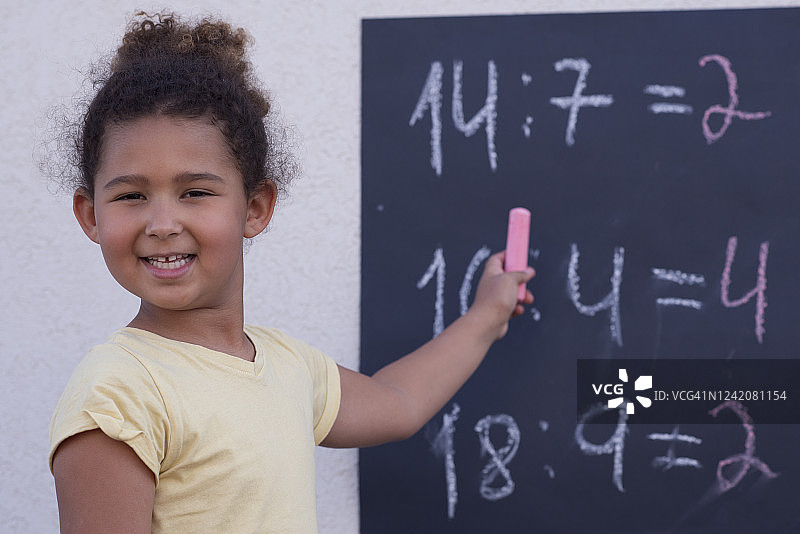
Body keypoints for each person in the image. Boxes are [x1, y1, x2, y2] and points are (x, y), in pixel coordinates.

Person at [48, 11, 535, 534]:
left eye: (195, 192)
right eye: (131, 196)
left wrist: (487, 315)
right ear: (91, 215)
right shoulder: (117, 395)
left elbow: (398, 403)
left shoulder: (286, 365)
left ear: (255, 207)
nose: (163, 224)